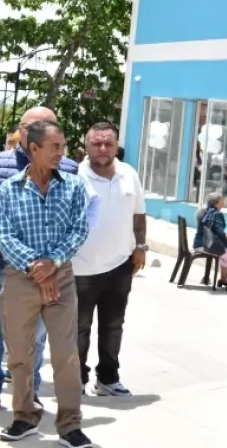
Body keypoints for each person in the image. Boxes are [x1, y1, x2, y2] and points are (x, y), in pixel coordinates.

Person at [0, 106, 96, 414]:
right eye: (30, 126)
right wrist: (33, 263)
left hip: (52, 274)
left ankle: (27, 394)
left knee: (36, 339)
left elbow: (86, 220)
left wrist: (53, 262)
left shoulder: (70, 172)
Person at [74, 121, 147, 397]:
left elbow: (138, 214)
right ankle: (76, 380)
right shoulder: (74, 176)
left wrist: (140, 245)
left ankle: (107, 378)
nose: (103, 148)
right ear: (87, 145)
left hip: (120, 266)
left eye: (108, 143)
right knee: (79, 329)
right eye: (96, 143)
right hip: (81, 268)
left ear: (116, 145)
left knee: (113, 325)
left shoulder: (129, 174)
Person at [198, 192, 227, 289]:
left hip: (205, 244)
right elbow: (220, 233)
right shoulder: (217, 214)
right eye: (222, 199)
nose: (224, 201)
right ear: (216, 203)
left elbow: (213, 230)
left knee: (226, 254)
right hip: (212, 246)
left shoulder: (207, 212)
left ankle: (223, 279)